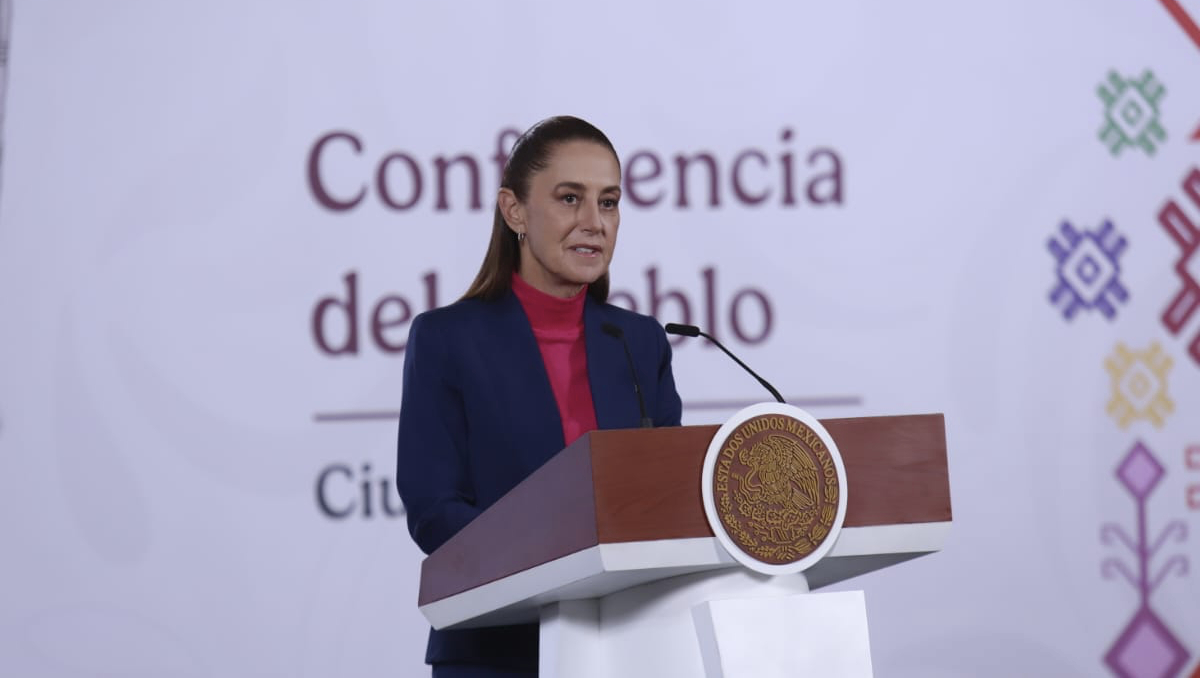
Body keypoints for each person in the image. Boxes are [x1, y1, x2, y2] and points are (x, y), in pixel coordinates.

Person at [395, 116, 684, 678]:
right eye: (570, 198)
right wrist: (559, 567)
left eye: (609, 202)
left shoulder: (639, 341)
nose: (593, 223)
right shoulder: (448, 339)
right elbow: (435, 510)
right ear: (515, 211)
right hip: (498, 651)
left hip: (632, 648)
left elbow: (665, 504)